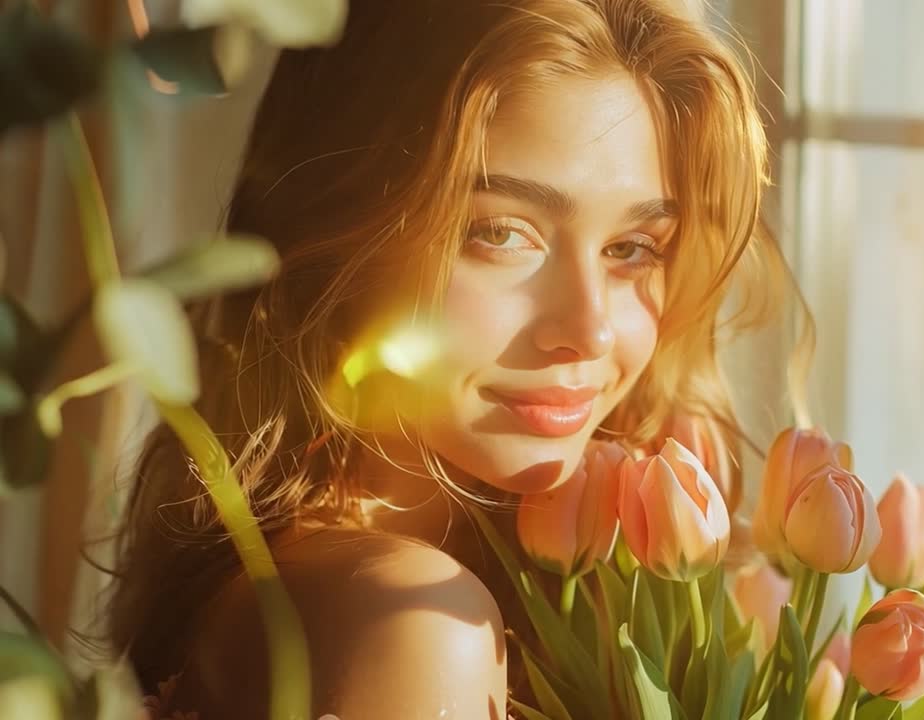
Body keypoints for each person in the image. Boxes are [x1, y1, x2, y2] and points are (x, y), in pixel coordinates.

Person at [107, 1, 806, 717]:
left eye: (632, 248)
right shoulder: (412, 618)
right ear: (343, 230)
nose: (591, 331)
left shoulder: (288, 575)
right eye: (501, 233)